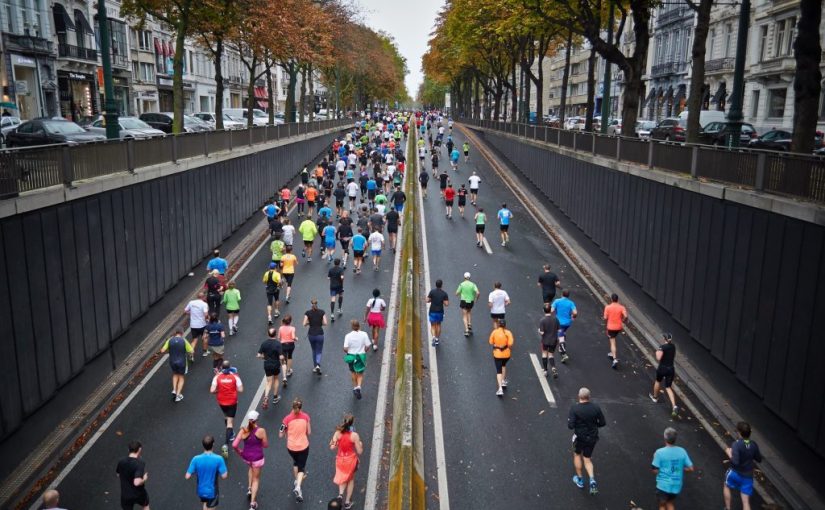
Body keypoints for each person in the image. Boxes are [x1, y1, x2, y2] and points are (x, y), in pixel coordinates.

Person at [568, 387, 606, 495]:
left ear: (579, 396)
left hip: (580, 437)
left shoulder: (574, 408)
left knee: (577, 455)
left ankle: (580, 480)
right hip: (592, 437)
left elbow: (570, 426)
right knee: (587, 459)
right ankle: (592, 479)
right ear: (589, 397)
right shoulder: (596, 408)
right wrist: (594, 425)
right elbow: (602, 423)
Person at [232, 411, 268, 510]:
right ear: (257, 419)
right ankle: (252, 504)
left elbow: (234, 445)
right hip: (257, 458)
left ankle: (249, 488)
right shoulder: (261, 431)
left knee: (251, 468)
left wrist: (240, 452)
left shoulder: (243, 430)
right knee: (256, 479)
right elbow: (265, 445)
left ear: (248, 419)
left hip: (247, 457)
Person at [652, 427, 694, 510]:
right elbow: (691, 468)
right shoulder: (682, 451)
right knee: (670, 503)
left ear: (665, 438)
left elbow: (654, 470)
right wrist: (681, 469)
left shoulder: (659, 452)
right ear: (675, 439)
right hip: (676, 485)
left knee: (662, 506)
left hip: (663, 486)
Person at [723, 422, 763, 510]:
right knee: (745, 501)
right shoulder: (753, 445)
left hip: (734, 473)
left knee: (726, 486)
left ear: (740, 432)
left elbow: (735, 462)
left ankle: (728, 508)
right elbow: (759, 459)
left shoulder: (736, 444)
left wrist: (729, 453)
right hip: (747, 477)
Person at [330, 413, 364, 510]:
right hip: (350, 461)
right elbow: (360, 451)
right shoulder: (354, 435)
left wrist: (334, 442)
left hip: (340, 459)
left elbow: (332, 446)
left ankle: (340, 495)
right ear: (352, 424)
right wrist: (360, 443)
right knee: (350, 479)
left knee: (343, 476)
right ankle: (347, 502)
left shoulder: (337, 433)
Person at [185, 435, 228, 510]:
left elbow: (187, 476)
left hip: (201, 490)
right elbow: (224, 476)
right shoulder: (219, 459)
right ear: (213, 444)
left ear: (203, 445)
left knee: (205, 504)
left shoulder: (195, 459)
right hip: (212, 491)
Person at [210, 360, 243, 457]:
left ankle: (231, 433)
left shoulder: (217, 377)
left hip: (221, 401)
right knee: (230, 423)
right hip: (232, 401)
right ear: (230, 367)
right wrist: (232, 388)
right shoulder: (235, 376)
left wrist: (219, 391)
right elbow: (241, 389)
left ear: (221, 368)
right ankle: (226, 444)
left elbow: (212, 390)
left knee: (226, 416)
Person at [281, 399, 311, 503]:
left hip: (291, 447)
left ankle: (296, 480)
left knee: (296, 462)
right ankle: (298, 487)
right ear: (301, 407)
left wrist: (286, 432)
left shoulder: (286, 419)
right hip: (303, 446)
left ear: (292, 407)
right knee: (301, 468)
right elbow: (309, 432)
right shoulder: (306, 417)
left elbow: (280, 434)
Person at [649, 333, 679, 417]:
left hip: (662, 368)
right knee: (668, 387)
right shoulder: (673, 346)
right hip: (671, 369)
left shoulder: (662, 347)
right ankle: (674, 406)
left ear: (664, 339)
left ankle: (655, 397)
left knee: (658, 381)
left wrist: (657, 351)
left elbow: (658, 358)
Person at [161, 328, 193, 402]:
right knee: (181, 377)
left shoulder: (170, 340)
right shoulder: (184, 340)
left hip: (172, 361)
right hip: (182, 362)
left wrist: (170, 351)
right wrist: (190, 354)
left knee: (175, 374)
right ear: (182, 333)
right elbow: (191, 351)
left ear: (175, 333)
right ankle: (178, 395)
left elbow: (162, 350)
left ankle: (174, 390)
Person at [117, 441, 150, 510]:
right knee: (145, 505)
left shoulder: (121, 461)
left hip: (126, 495)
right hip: (139, 494)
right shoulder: (140, 463)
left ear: (128, 450)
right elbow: (137, 482)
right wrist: (144, 479)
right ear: (139, 449)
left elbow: (118, 474)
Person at [343, 320, 372, 399]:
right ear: (359, 326)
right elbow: (368, 345)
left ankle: (355, 387)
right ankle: (359, 387)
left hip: (351, 356)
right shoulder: (364, 334)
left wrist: (348, 352)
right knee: (360, 373)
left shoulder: (348, 336)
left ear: (352, 327)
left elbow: (345, 348)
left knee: (353, 372)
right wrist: (364, 351)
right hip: (360, 356)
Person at [257, 327, 283, 408]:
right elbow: (281, 357)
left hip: (267, 364)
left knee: (268, 382)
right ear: (275, 334)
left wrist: (264, 358)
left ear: (268, 334)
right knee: (276, 379)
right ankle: (275, 397)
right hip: (275, 364)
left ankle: (266, 396)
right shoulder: (278, 344)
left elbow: (258, 355)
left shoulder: (264, 343)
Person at [489, 319, 514, 396]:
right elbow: (510, 343)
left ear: (498, 325)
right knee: (503, 365)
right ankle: (503, 381)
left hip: (497, 354)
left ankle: (500, 389)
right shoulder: (508, 333)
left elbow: (490, 342)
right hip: (506, 354)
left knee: (498, 371)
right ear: (505, 325)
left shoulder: (494, 332)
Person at [551, 290, 577, 363]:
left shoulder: (557, 301)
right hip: (567, 323)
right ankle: (561, 347)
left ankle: (563, 353)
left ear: (562, 294)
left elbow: (552, 310)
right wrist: (573, 317)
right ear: (568, 295)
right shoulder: (571, 303)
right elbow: (575, 313)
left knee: (560, 336)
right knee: (563, 333)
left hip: (559, 323)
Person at [603, 293, 628, 369]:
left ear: (611, 299)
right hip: (618, 327)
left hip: (611, 327)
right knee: (613, 339)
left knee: (612, 342)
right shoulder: (621, 307)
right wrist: (623, 320)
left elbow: (605, 318)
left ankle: (614, 359)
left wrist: (607, 321)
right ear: (617, 299)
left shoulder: (608, 307)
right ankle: (611, 353)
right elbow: (626, 316)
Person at [304, 298, 328, 374]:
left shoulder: (307, 313)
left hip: (311, 334)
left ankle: (315, 366)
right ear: (317, 304)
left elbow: (304, 323)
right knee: (319, 350)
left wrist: (310, 323)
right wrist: (319, 323)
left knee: (314, 350)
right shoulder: (322, 312)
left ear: (311, 304)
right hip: (320, 334)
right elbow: (325, 323)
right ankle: (318, 364)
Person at [538, 304, 560, 378]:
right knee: (551, 354)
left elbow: (542, 332)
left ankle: (545, 370)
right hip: (554, 340)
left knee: (544, 354)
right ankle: (553, 367)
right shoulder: (556, 319)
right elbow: (559, 330)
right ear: (551, 310)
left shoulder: (542, 320)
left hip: (545, 341)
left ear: (543, 310)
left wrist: (539, 331)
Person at [185, 292, 210, 357]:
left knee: (195, 339)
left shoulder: (191, 302)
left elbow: (185, 311)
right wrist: (207, 319)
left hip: (193, 325)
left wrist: (191, 313)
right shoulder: (204, 304)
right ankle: (205, 352)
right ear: (203, 297)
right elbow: (206, 314)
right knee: (205, 338)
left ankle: (191, 353)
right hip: (202, 325)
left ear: (197, 297)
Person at [455, 272, 480, 337]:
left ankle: (466, 330)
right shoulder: (473, 284)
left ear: (464, 277)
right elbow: (478, 293)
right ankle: (469, 323)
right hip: (471, 301)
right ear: (469, 277)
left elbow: (457, 293)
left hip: (463, 301)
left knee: (464, 315)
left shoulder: (461, 284)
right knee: (469, 312)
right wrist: (476, 299)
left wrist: (460, 293)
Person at [426, 279, 449, 347]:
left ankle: (433, 337)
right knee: (438, 325)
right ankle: (436, 339)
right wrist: (442, 301)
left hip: (432, 311)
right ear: (441, 285)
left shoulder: (432, 292)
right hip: (440, 312)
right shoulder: (444, 293)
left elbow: (427, 300)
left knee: (433, 325)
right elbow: (447, 304)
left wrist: (431, 299)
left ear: (436, 284)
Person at [278, 315, 297, 384]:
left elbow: (279, 337)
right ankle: (289, 371)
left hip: (283, 345)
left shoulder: (280, 328)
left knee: (283, 360)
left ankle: (284, 377)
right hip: (291, 345)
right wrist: (296, 338)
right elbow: (293, 337)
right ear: (290, 321)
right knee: (290, 357)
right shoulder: (292, 328)